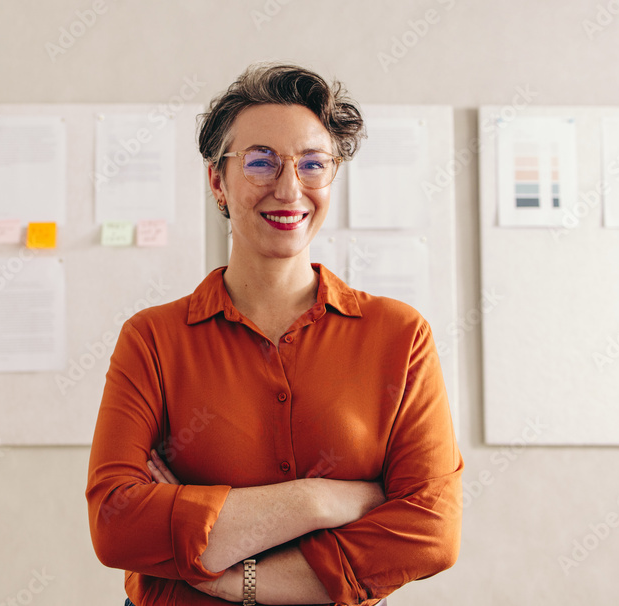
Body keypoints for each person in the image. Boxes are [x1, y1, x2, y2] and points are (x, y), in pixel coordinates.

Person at [86, 63, 462, 606]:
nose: (289, 188)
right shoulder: (152, 339)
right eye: (261, 162)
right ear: (218, 180)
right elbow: (116, 523)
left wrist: (227, 574)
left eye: (314, 164)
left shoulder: (399, 336)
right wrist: (318, 501)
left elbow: (430, 532)